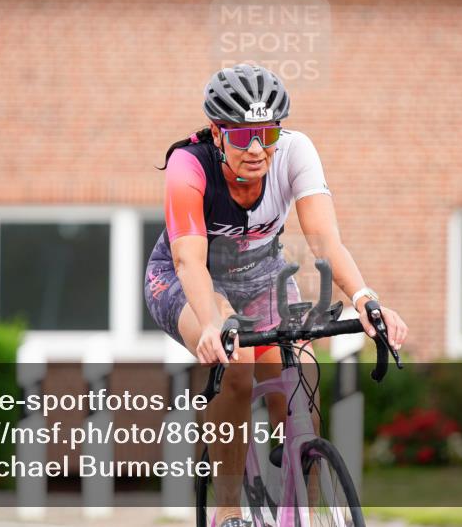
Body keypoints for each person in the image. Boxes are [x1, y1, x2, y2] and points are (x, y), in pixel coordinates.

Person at [145, 63, 407, 527]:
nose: (256, 148)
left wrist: (365, 298)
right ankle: (228, 510)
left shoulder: (295, 151)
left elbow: (325, 240)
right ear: (216, 132)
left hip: (261, 275)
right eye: (242, 136)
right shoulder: (189, 165)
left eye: (266, 133)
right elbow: (189, 260)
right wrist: (212, 322)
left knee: (300, 374)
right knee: (238, 368)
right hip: (187, 280)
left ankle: (303, 510)